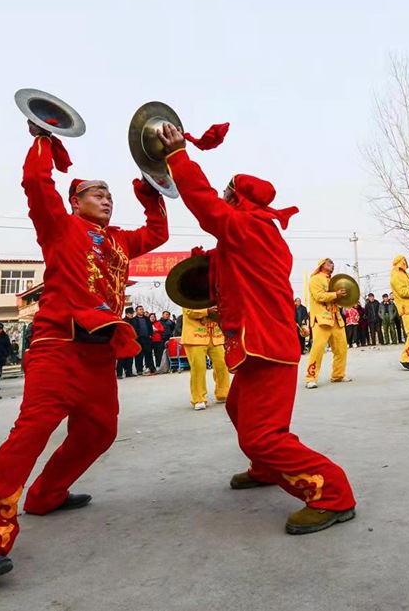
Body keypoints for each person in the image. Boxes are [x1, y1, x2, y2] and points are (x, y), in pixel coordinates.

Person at [0, 120, 168, 586]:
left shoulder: (122, 241)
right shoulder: (59, 226)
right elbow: (35, 182)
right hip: (57, 350)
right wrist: (45, 139)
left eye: (110, 193)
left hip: (99, 356)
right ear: (74, 201)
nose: (106, 198)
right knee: (29, 435)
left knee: (100, 433)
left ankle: (47, 493)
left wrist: (152, 191)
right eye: (95, 192)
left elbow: (158, 234)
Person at [158, 122, 356, 534]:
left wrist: (178, 155)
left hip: (267, 346)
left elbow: (205, 205)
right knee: (237, 408)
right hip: (255, 344)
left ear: (239, 198)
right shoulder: (250, 235)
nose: (223, 198)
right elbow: (231, 280)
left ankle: (333, 494)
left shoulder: (250, 228)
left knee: (261, 435)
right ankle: (265, 469)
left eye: (228, 193)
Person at [305, 258, 352, 388]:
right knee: (318, 349)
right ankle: (311, 378)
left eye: (333, 263)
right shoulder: (315, 279)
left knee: (341, 348)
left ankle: (338, 374)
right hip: (321, 319)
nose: (332, 265)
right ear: (322, 265)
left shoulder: (333, 281)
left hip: (336, 318)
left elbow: (337, 298)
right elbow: (319, 296)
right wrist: (336, 294)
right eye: (330, 263)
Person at [181, 306, 230, 410]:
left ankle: (223, 393)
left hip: (215, 336)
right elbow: (189, 311)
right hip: (195, 336)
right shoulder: (188, 294)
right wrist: (207, 311)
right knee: (199, 368)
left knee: (223, 364)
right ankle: (198, 398)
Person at [132, 306, 156, 375]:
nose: (142, 310)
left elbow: (150, 328)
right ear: (136, 311)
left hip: (147, 339)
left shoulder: (147, 319)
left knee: (148, 354)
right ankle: (139, 369)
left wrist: (150, 335)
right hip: (139, 339)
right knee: (139, 355)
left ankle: (151, 368)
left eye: (142, 309)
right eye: (140, 309)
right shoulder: (134, 320)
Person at [116, 308, 137, 379]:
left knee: (130, 358)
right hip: (123, 342)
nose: (131, 315)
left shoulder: (134, 321)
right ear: (127, 314)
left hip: (131, 341)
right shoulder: (123, 321)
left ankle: (129, 372)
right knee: (121, 358)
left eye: (132, 313)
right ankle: (119, 374)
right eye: (130, 313)